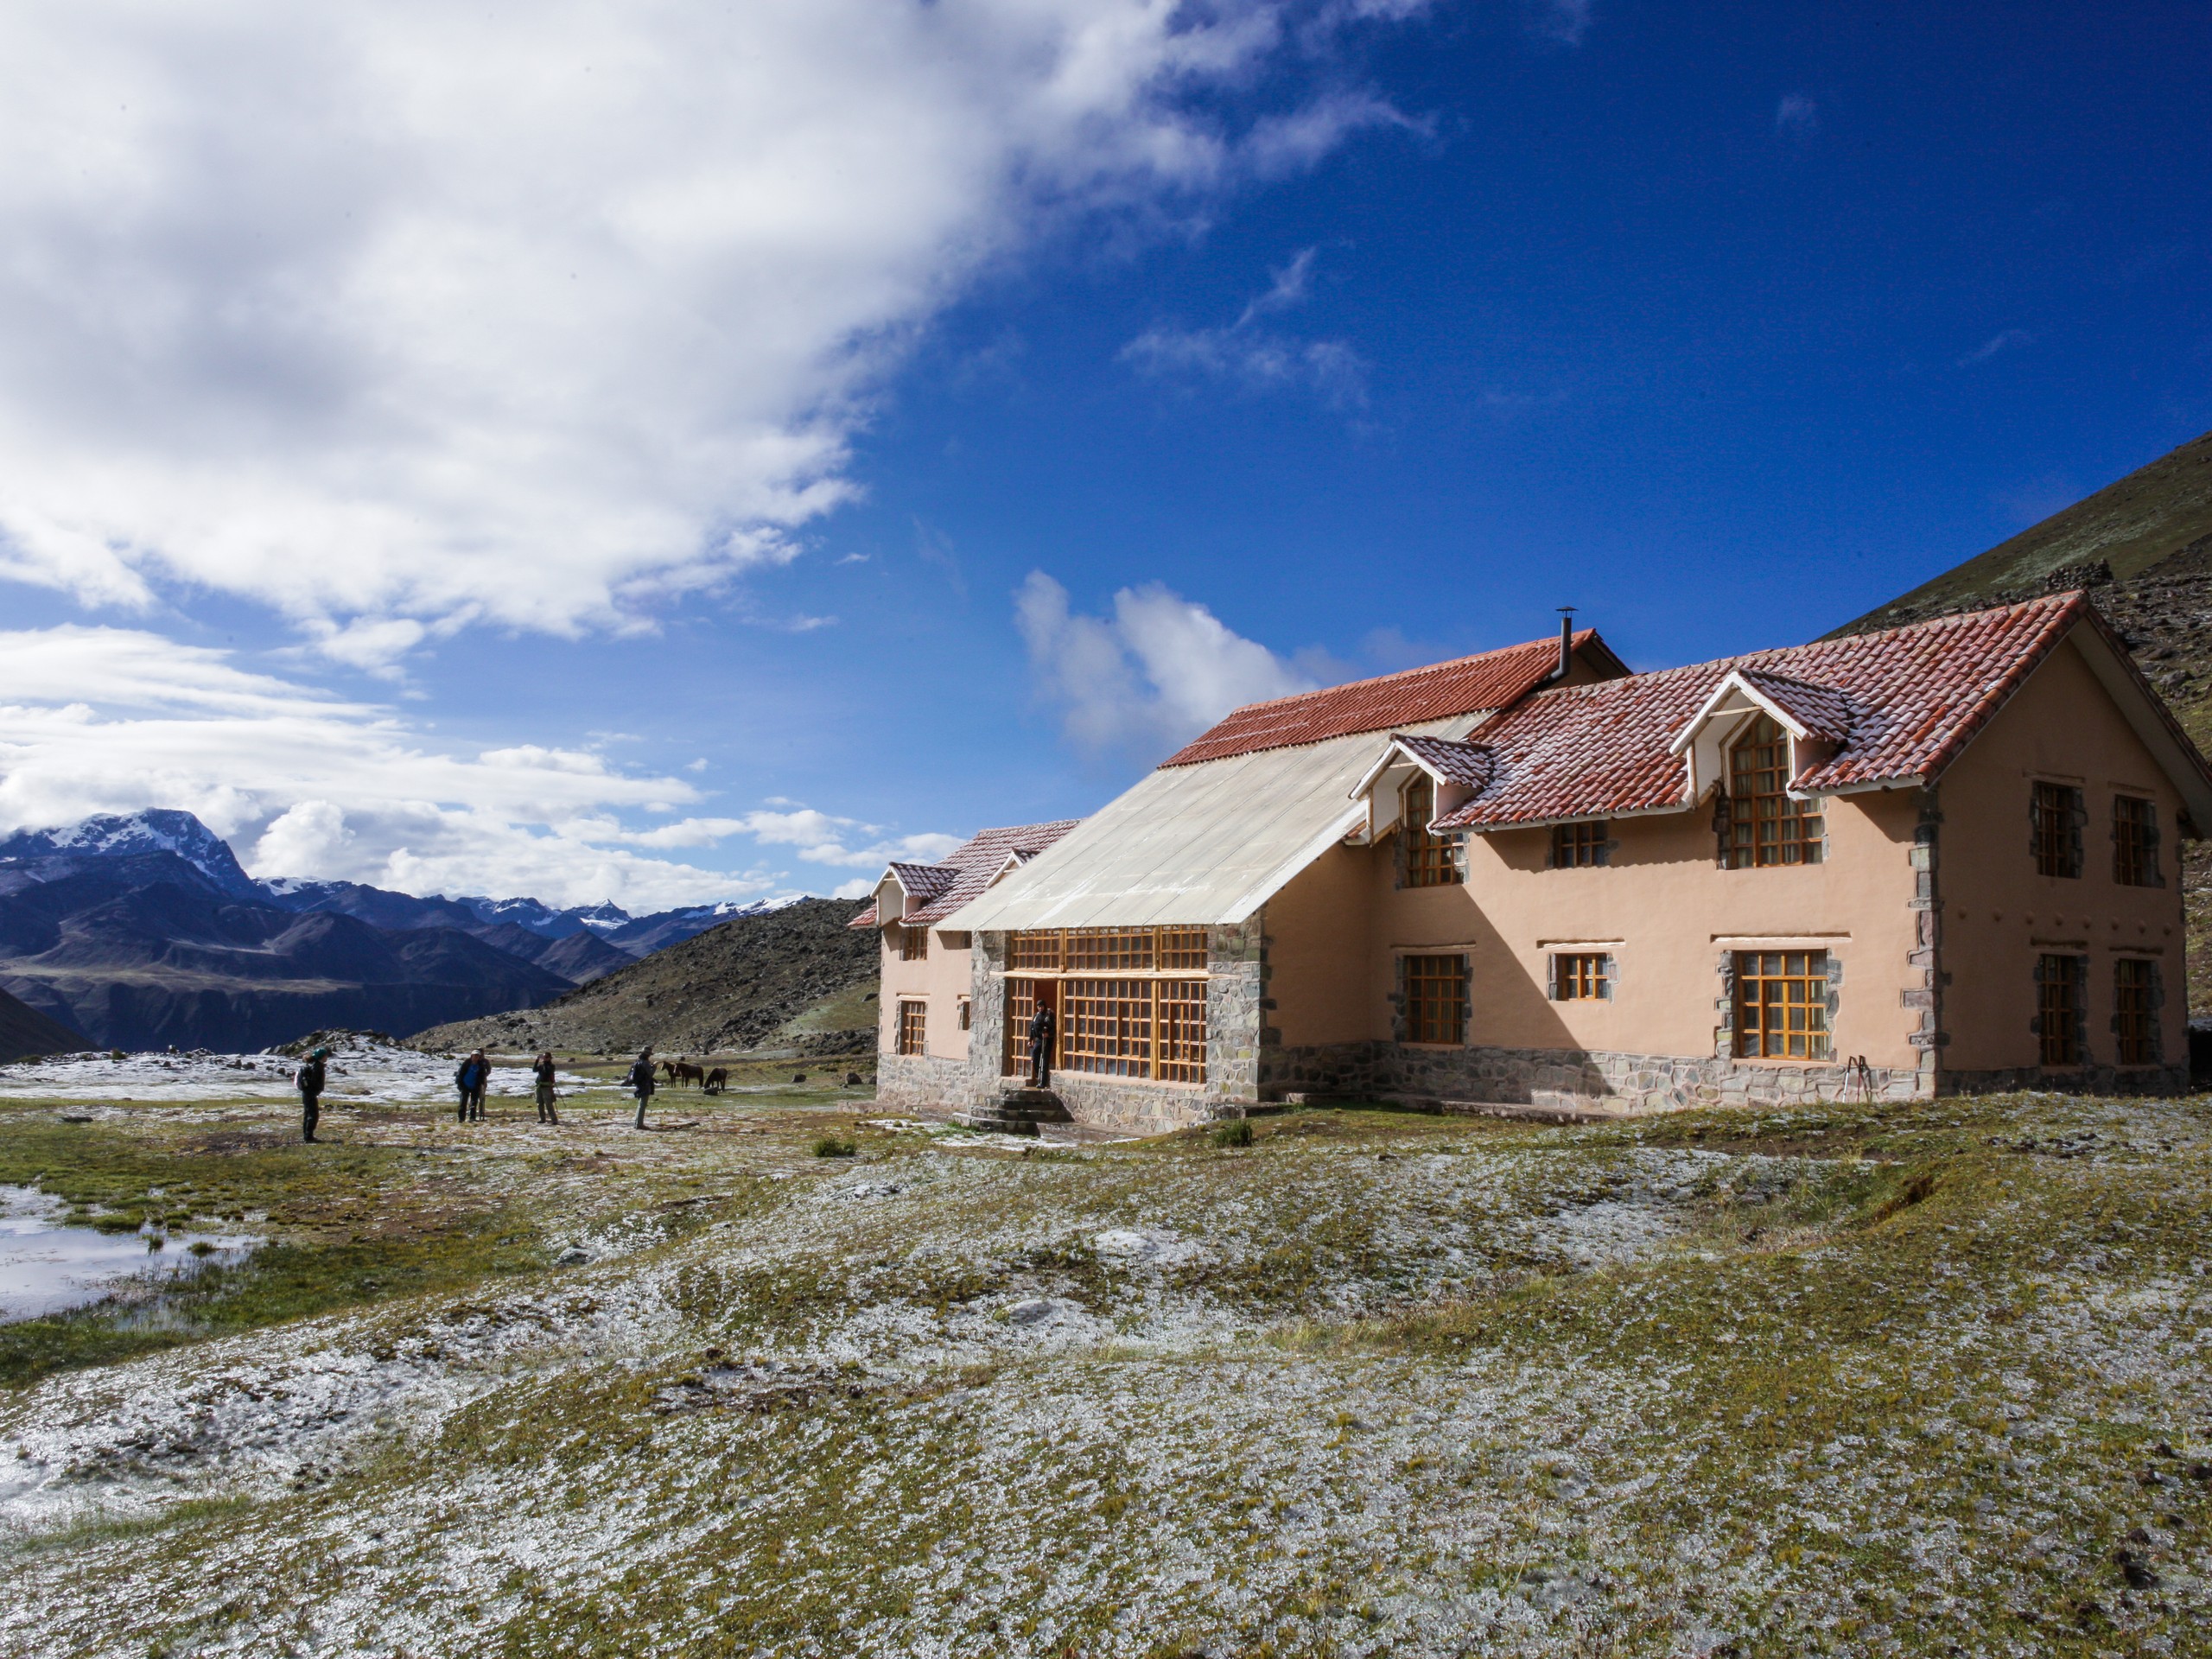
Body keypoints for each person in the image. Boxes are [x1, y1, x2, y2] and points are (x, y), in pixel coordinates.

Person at [295, 1045, 328, 1143]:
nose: (327, 1057)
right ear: (322, 1057)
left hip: (307, 1093)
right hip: (311, 1093)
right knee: (313, 1115)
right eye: (326, 1055)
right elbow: (314, 1081)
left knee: (308, 1114)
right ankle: (309, 1137)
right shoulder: (318, 1067)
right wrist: (316, 1089)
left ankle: (307, 1135)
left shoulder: (312, 1065)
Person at [1027, 997, 1055, 1090]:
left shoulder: (1048, 1015)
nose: (1040, 1008)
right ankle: (1037, 1075)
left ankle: (1043, 1082)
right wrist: (1030, 1039)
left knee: (1045, 1060)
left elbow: (1054, 1028)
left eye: (1042, 1006)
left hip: (1046, 1040)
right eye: (1039, 1007)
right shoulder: (1036, 1016)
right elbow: (1032, 1028)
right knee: (1035, 1057)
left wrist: (1048, 1034)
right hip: (1038, 1039)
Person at [454, 1049, 489, 1122]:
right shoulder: (466, 1064)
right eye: (474, 1056)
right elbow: (460, 1074)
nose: (475, 1057)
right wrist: (459, 1084)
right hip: (465, 1085)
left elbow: (482, 1075)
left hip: (475, 1086)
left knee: (474, 1102)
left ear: (479, 1057)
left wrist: (481, 1084)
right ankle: (461, 1118)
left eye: (477, 1056)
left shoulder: (480, 1066)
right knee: (463, 1102)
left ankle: (472, 1118)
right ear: (471, 1056)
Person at [626, 1047, 657, 1129]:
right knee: (642, 1105)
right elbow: (650, 1074)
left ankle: (637, 1123)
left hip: (639, 1084)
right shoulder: (645, 1063)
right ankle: (639, 1124)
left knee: (641, 1104)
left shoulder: (637, 1061)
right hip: (645, 1085)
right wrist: (654, 1067)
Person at [532, 1050, 559, 1124]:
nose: (544, 1058)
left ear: (550, 1058)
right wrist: (537, 1060)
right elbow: (534, 1070)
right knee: (539, 1103)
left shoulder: (551, 1066)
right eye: (544, 1057)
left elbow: (547, 1072)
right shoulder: (541, 1066)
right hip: (539, 1086)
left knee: (548, 1104)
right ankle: (542, 1119)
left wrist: (546, 1063)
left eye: (546, 1057)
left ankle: (554, 1120)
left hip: (547, 1087)